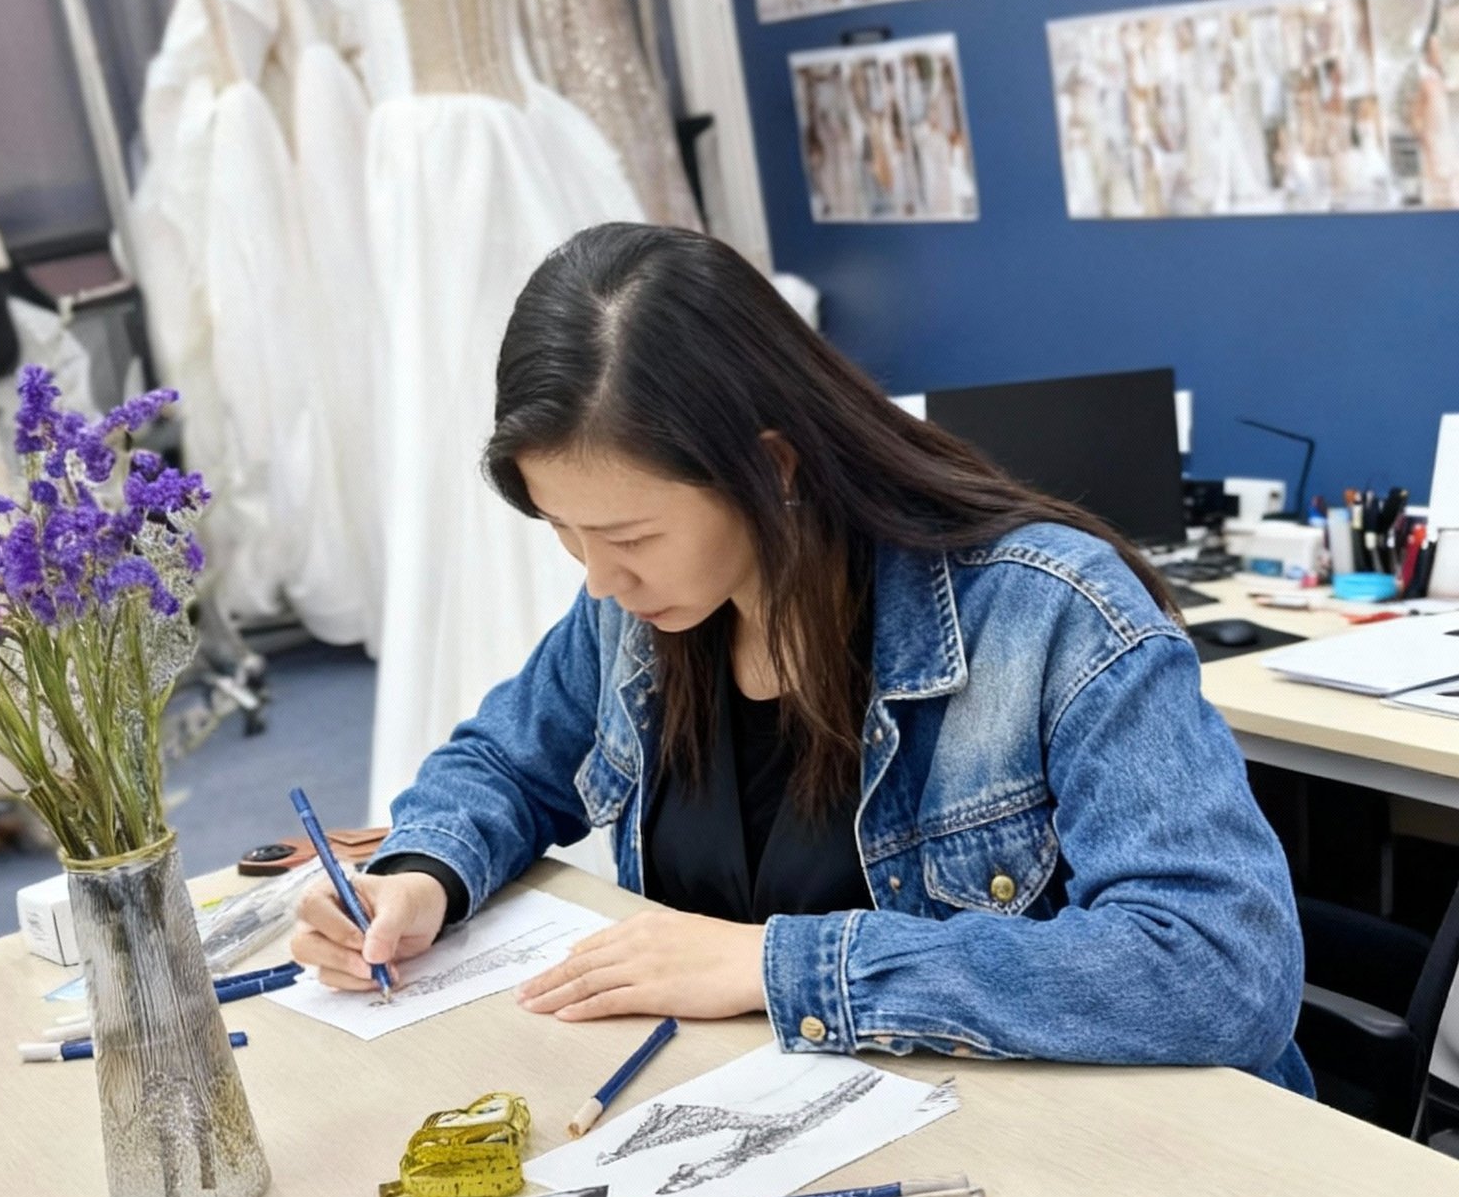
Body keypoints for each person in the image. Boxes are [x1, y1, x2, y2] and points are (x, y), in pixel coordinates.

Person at [293, 224, 1310, 1092]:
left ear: (771, 468)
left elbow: (1219, 971)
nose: (599, 579)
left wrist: (779, 966)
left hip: (1075, 1155)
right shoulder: (640, 614)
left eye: (632, 536)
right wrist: (422, 875)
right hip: (777, 1115)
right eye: (565, 531)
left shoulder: (1050, 612)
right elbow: (506, 764)